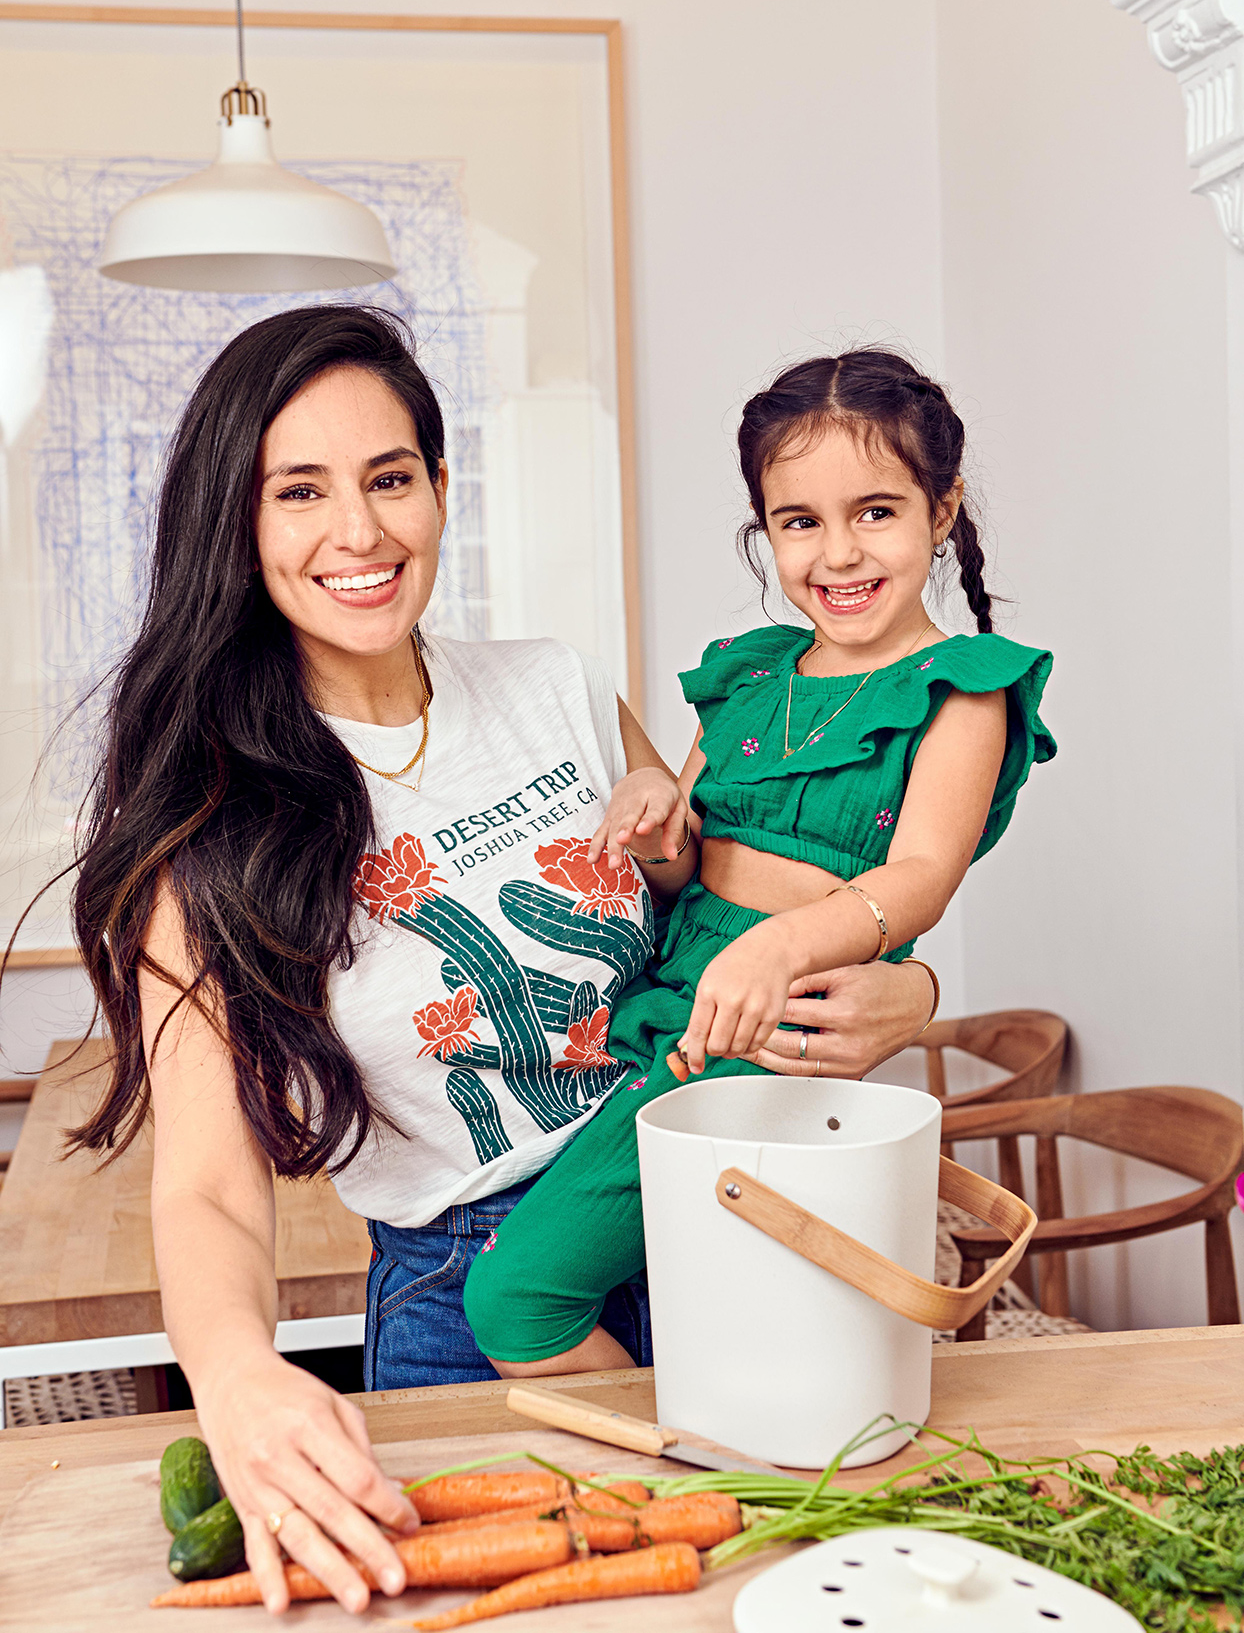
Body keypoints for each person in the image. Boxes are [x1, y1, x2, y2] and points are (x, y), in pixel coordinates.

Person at [62, 307, 937, 1615]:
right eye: (299, 490)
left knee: (798, 1591)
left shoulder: (561, 691)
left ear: (441, 488)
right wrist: (236, 1373)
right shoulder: (208, 820)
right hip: (475, 1295)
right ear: (234, 523)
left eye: (389, 477)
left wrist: (907, 992)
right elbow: (209, 1190)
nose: (357, 531)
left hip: (719, 1212)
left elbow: (741, 918)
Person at [462, 349, 1056, 1374]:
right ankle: (709, 1452)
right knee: (725, 1307)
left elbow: (918, 875)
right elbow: (685, 868)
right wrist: (654, 821)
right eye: (799, 522)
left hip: (770, 1030)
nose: (837, 555)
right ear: (764, 528)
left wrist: (778, 951)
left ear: (941, 511)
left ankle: (687, 1466)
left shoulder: (963, 689)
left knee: (516, 1296)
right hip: (667, 1004)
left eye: (874, 511)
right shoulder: (747, 675)